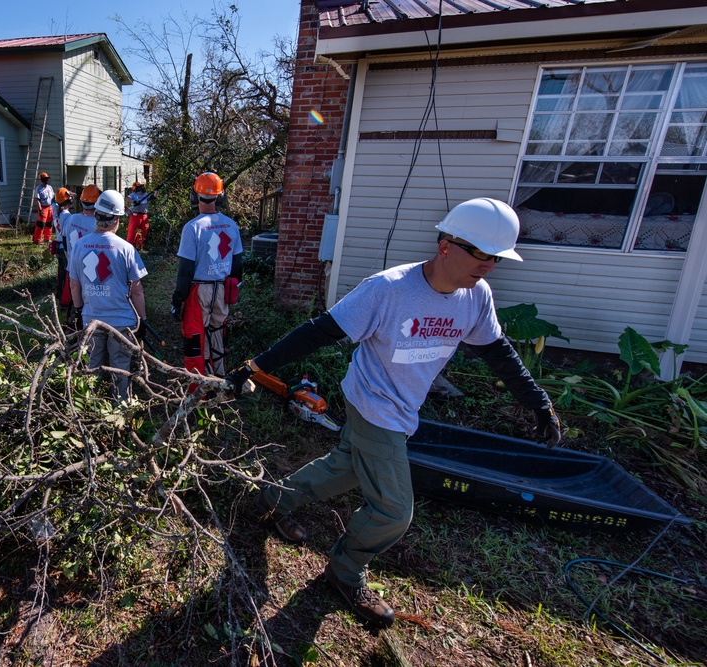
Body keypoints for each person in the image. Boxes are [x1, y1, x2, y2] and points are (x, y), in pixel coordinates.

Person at [225, 198, 562, 630]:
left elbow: (498, 353)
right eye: (482, 254)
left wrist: (538, 403)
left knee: (344, 468)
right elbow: (319, 332)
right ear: (447, 245)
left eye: (496, 257)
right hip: (374, 407)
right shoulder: (388, 289)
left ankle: (268, 499)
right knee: (393, 511)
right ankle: (344, 573)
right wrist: (256, 366)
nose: (490, 265)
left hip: (403, 410)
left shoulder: (476, 297)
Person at [68, 189, 148, 401]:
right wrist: (143, 320)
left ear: (96, 215)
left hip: (92, 318)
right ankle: (121, 409)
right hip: (122, 322)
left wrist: (78, 310)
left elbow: (74, 285)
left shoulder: (78, 246)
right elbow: (137, 290)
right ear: (117, 220)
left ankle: (91, 407)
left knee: (92, 365)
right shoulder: (126, 248)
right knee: (121, 367)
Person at [172, 172, 243, 377]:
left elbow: (185, 270)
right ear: (220, 197)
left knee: (196, 336)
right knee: (218, 333)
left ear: (195, 197)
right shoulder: (231, 225)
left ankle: (201, 383)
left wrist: (178, 300)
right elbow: (238, 265)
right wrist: (232, 290)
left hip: (199, 290)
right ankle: (220, 378)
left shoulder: (192, 227)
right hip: (222, 288)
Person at [62, 185, 101, 327]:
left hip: (72, 267)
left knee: (74, 300)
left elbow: (65, 244)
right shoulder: (96, 225)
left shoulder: (71, 219)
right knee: (89, 301)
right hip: (89, 270)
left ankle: (72, 325)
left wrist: (70, 261)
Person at [52, 187, 74, 316]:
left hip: (58, 245)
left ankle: (59, 297)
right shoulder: (68, 217)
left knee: (61, 274)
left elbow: (53, 201)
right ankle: (65, 302)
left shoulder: (56, 211)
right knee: (67, 275)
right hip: (64, 246)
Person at [126, 181, 153, 251]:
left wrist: (156, 191)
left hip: (144, 215)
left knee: (144, 230)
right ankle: (129, 247)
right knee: (132, 231)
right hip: (135, 215)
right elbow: (127, 199)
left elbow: (153, 197)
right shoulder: (133, 195)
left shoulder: (146, 195)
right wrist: (134, 201)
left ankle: (139, 247)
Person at [32, 172, 56, 244]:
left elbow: (53, 197)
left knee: (49, 223)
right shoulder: (38, 189)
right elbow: (38, 200)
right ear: (42, 180)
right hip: (43, 207)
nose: (47, 181)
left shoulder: (50, 187)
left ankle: (47, 239)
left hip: (50, 207)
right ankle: (37, 240)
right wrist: (40, 209)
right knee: (41, 224)